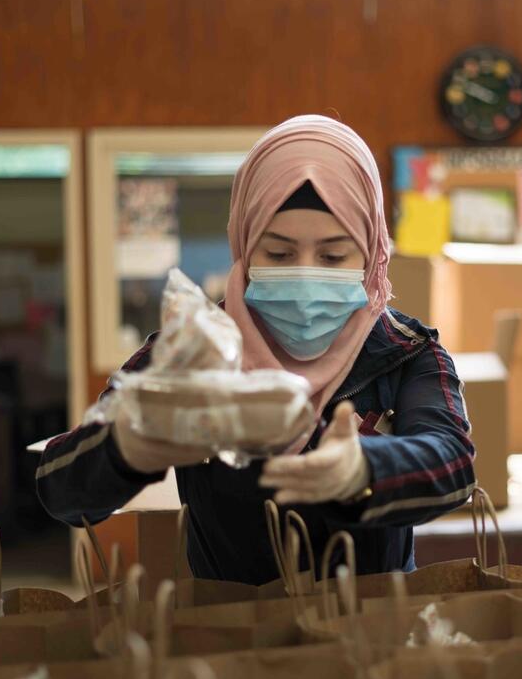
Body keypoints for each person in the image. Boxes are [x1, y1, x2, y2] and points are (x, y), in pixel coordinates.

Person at [36, 115, 475, 584]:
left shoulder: (405, 353)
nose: (306, 274)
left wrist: (363, 469)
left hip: (373, 632)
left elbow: (453, 463)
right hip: (231, 638)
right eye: (279, 254)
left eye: (333, 256)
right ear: (244, 247)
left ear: (370, 254)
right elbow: (59, 487)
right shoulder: (192, 353)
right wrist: (126, 447)